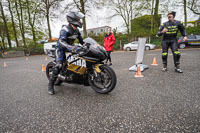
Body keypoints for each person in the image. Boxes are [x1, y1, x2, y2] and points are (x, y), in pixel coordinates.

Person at [48, 11, 86, 95]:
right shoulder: (64, 30)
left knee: (80, 58)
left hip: (70, 48)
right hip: (61, 48)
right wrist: (71, 47)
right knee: (59, 65)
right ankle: (50, 85)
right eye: (78, 19)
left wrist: (87, 44)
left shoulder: (77, 30)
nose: (80, 21)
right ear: (73, 20)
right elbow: (61, 42)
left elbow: (82, 41)